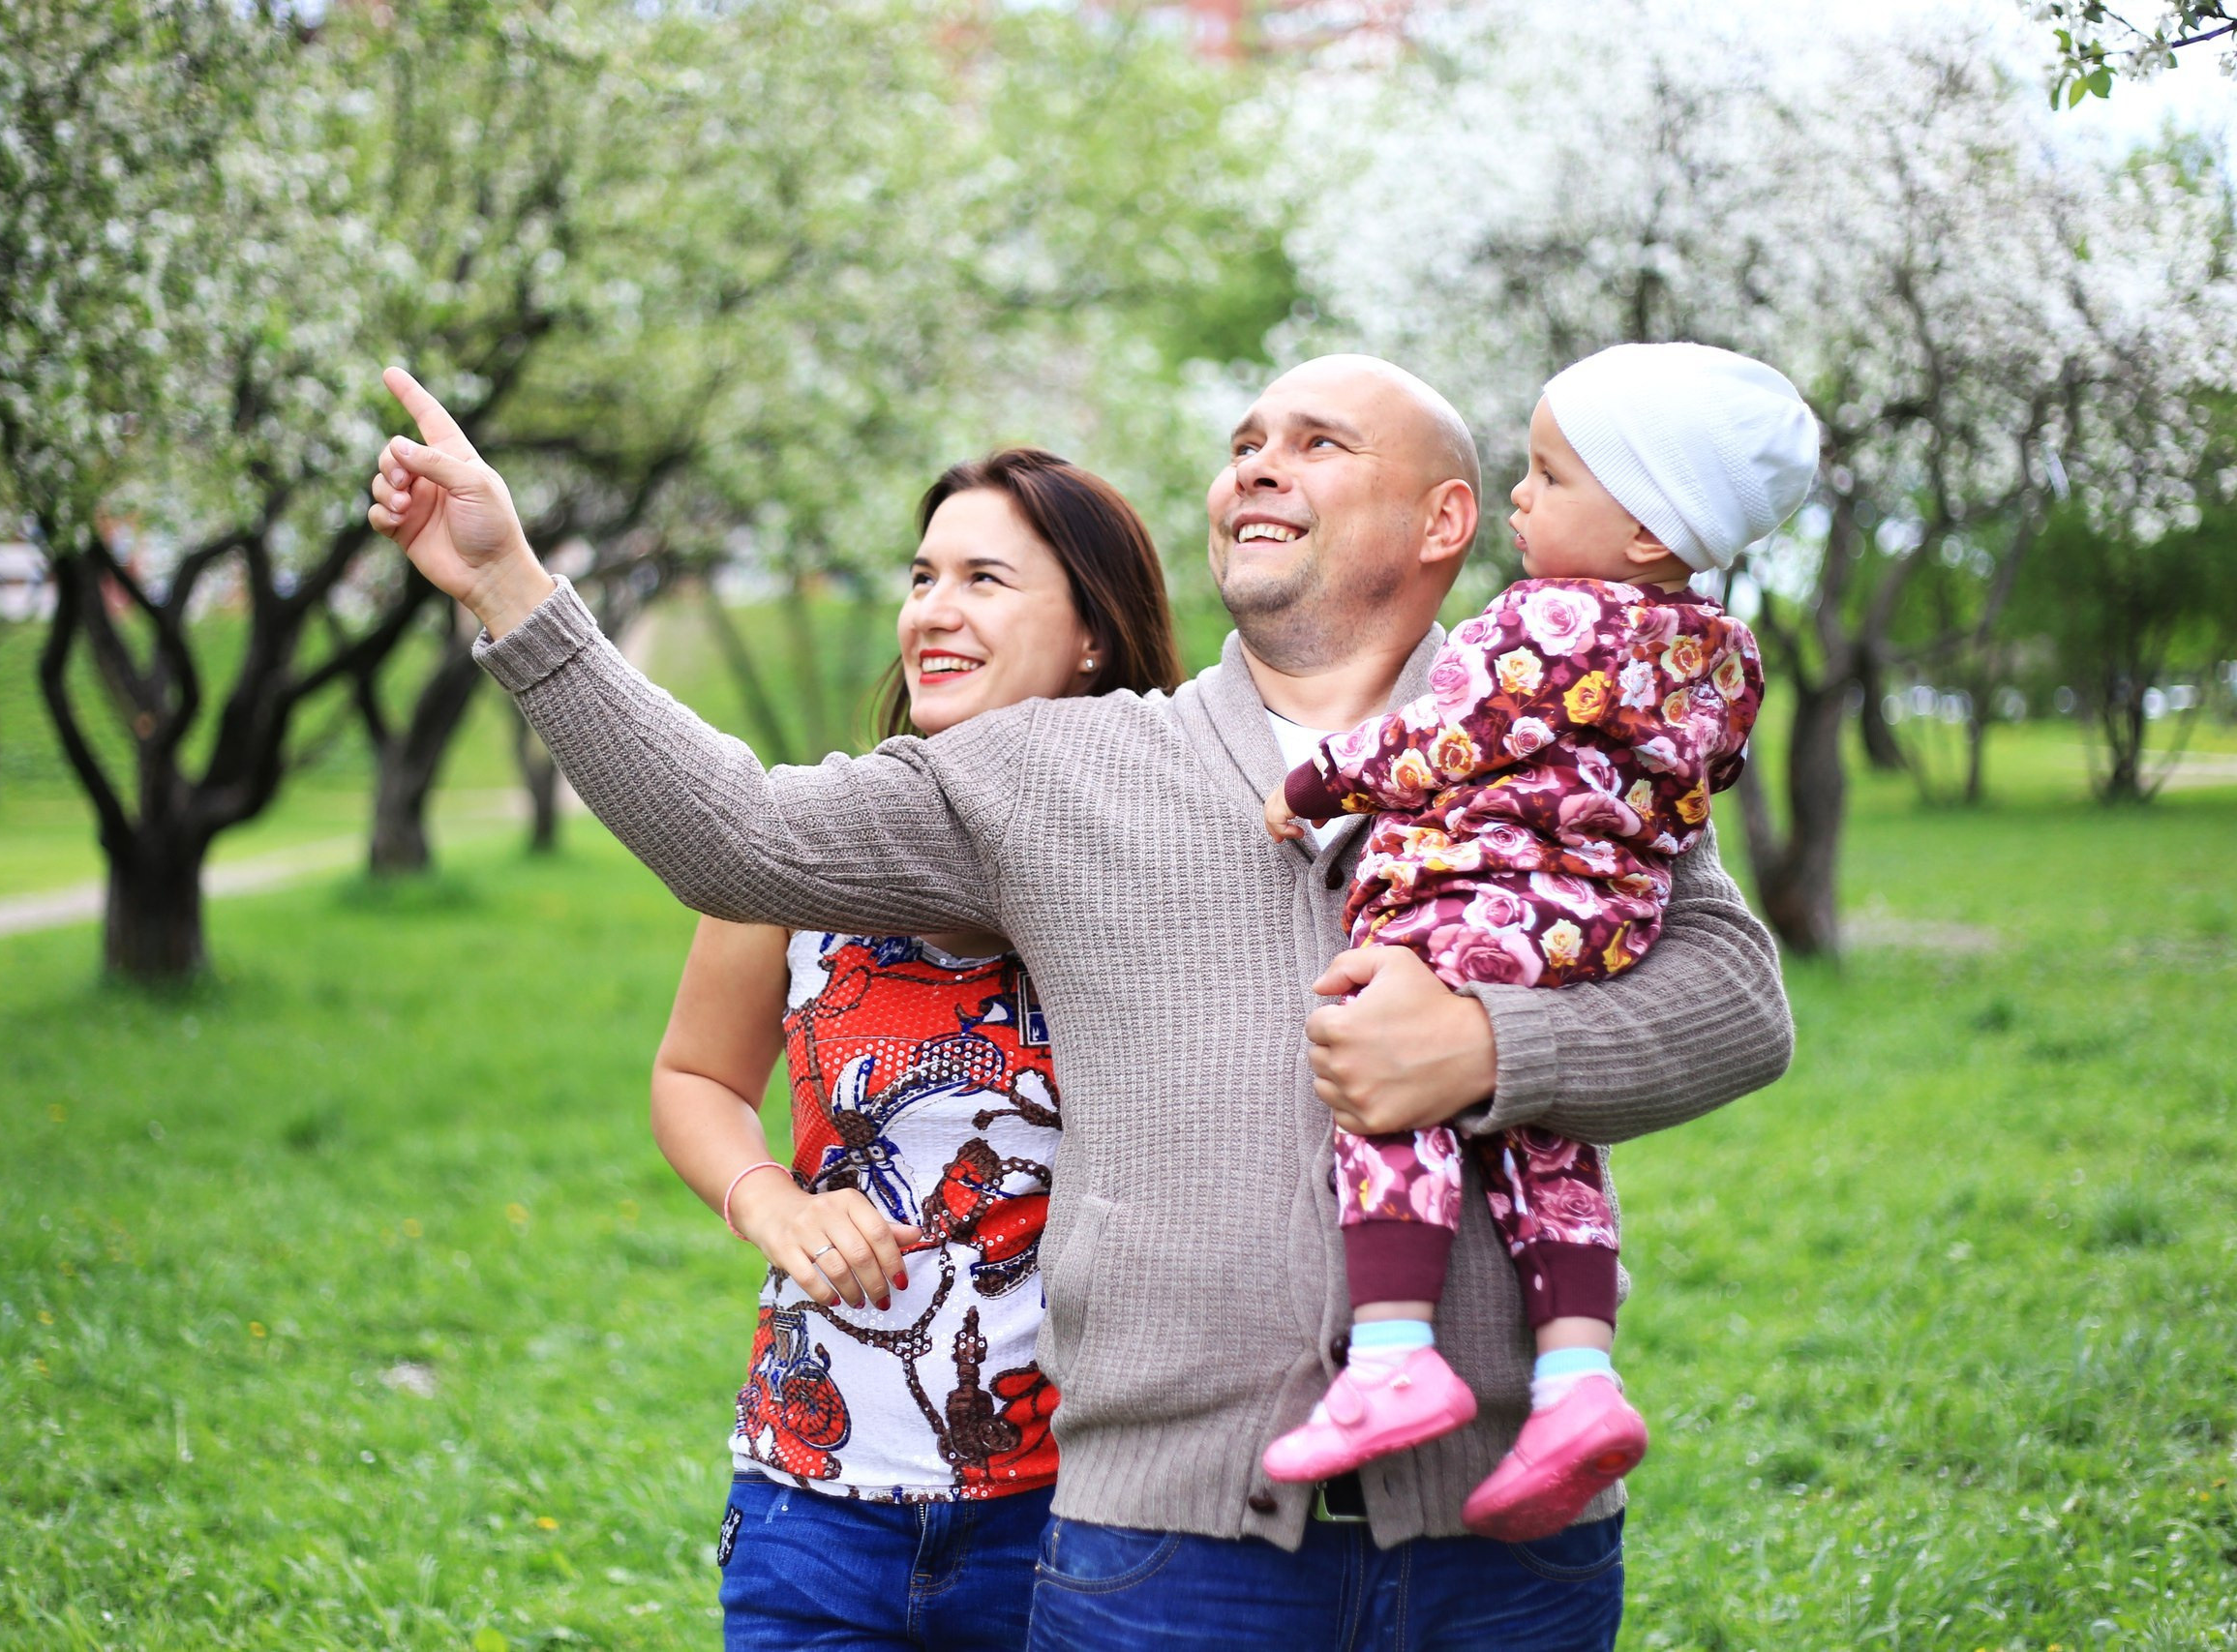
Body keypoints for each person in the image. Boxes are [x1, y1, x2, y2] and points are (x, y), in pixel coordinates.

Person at [366, 353, 1795, 1649]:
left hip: (1510, 1546)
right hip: (1168, 1553)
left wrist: (1493, 1044)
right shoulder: (1052, 767)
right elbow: (733, 835)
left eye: (1316, 440)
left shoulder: (1556, 733)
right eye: (1243, 440)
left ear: (1443, 520)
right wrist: (509, 587)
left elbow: (1738, 999)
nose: (1256, 463)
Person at [1256, 344, 1817, 1546]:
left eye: (1550, 476)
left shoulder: (1549, 619)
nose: (1520, 496)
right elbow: (1691, 796)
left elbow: (1447, 740)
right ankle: (1575, 1381)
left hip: (1479, 900)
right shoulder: (1724, 654)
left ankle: (1394, 1354)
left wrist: (1319, 781)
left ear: (1648, 530)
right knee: (1537, 1129)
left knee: (1386, 1075)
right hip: (1600, 923)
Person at [643, 449, 1184, 1649]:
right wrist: (769, 1202)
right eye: (923, 574)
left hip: (1080, 1511)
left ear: (1094, 634)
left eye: (985, 578)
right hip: (814, 1504)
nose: (933, 611)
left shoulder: (1164, 871)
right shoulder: (793, 848)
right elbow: (696, 1078)